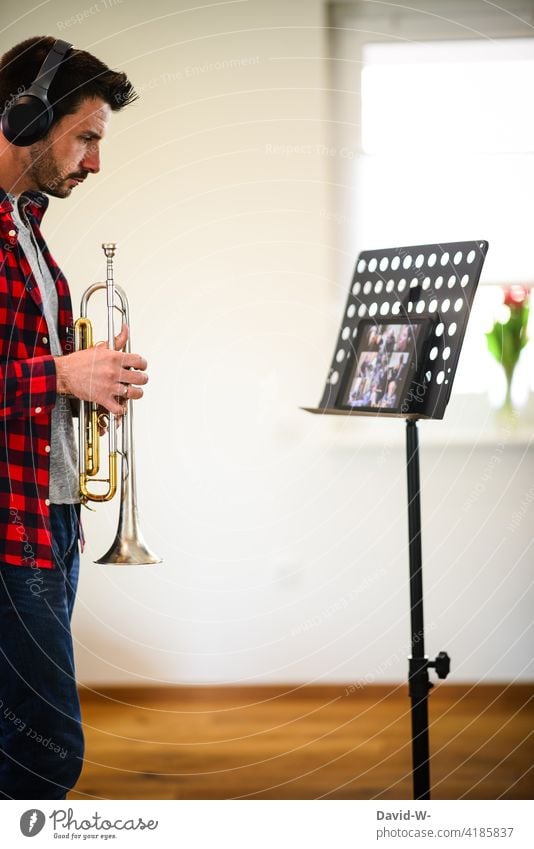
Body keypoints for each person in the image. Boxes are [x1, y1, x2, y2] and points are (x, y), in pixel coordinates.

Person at [0, 36, 147, 800]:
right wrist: (60, 372)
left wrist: (92, 377)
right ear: (25, 117)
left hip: (50, 518)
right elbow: (39, 374)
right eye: (87, 137)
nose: (95, 162)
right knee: (47, 752)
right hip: (9, 533)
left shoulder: (26, 225)